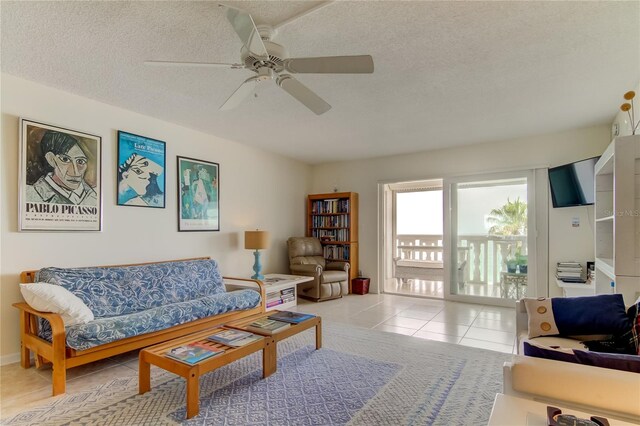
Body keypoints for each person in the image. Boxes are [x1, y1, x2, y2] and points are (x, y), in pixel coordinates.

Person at [25, 131, 97, 205]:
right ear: (51, 159)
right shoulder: (30, 195)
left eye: (80, 161)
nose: (76, 172)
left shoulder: (94, 196)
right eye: (65, 160)